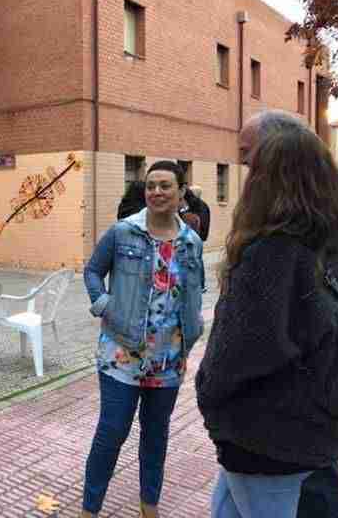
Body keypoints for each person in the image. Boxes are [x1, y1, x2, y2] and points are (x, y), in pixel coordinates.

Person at [196, 114, 338, 518]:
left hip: (266, 440)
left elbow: (235, 355)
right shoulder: (335, 241)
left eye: (251, 165)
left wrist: (208, 396)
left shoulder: (271, 251)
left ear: (270, 178)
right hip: (318, 429)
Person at [238, 110, 338, 518]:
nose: (245, 170)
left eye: (248, 157)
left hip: (295, 406)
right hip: (334, 388)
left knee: (308, 488)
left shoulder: (292, 222)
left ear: (278, 151)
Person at [82, 161, 205, 518]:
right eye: (151, 186)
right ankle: (89, 509)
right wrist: (104, 305)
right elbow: (93, 271)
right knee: (111, 433)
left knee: (156, 436)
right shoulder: (123, 233)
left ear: (181, 192)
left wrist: (194, 326)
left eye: (165, 186)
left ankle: (149, 508)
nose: (156, 192)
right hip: (122, 355)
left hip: (169, 360)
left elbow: (196, 289)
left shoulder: (191, 242)